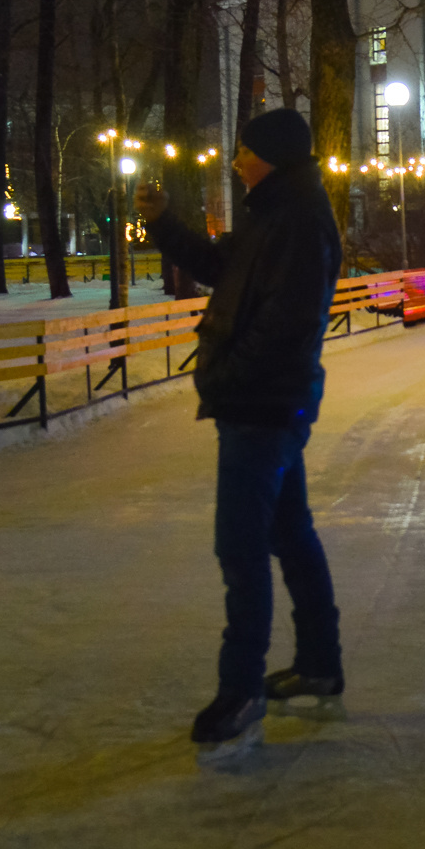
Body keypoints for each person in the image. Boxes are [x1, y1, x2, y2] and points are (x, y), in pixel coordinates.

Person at [136, 108, 346, 762]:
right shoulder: (272, 213)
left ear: (273, 157)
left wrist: (226, 376)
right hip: (267, 401)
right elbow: (218, 264)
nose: (235, 161)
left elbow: (286, 322)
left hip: (262, 405)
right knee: (288, 533)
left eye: (244, 151)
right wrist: (163, 222)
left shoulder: (299, 219)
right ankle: (318, 661)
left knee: (243, 547)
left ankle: (241, 690)